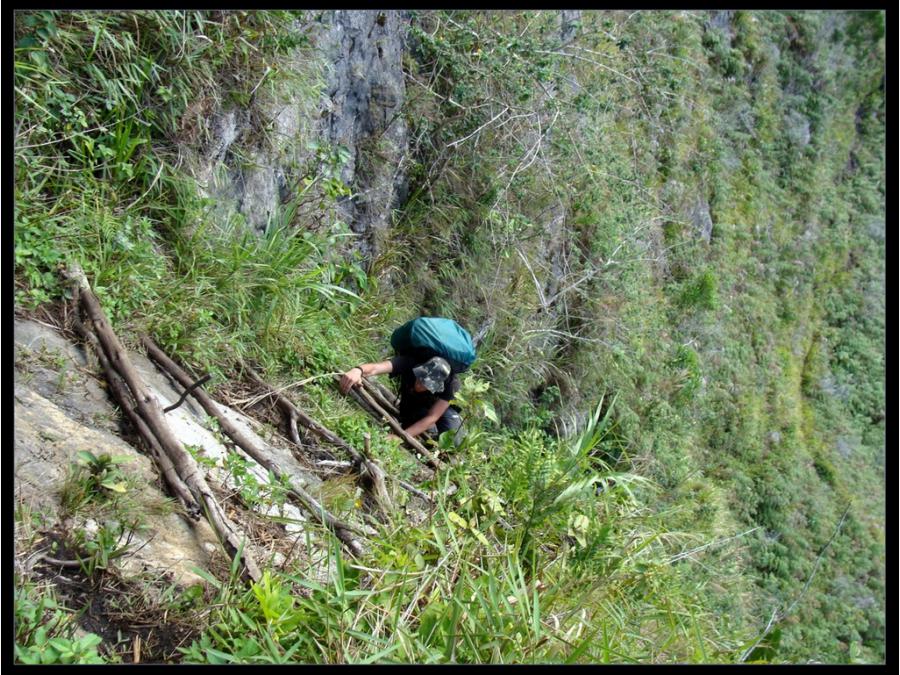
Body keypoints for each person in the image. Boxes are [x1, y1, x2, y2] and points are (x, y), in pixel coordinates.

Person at [339, 354, 465, 445]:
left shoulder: (451, 385)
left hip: (440, 409)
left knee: (454, 440)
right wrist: (358, 370)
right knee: (409, 421)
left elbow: (433, 416)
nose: (420, 385)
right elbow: (377, 368)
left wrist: (400, 437)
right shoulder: (409, 361)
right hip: (415, 404)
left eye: (426, 385)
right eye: (420, 379)